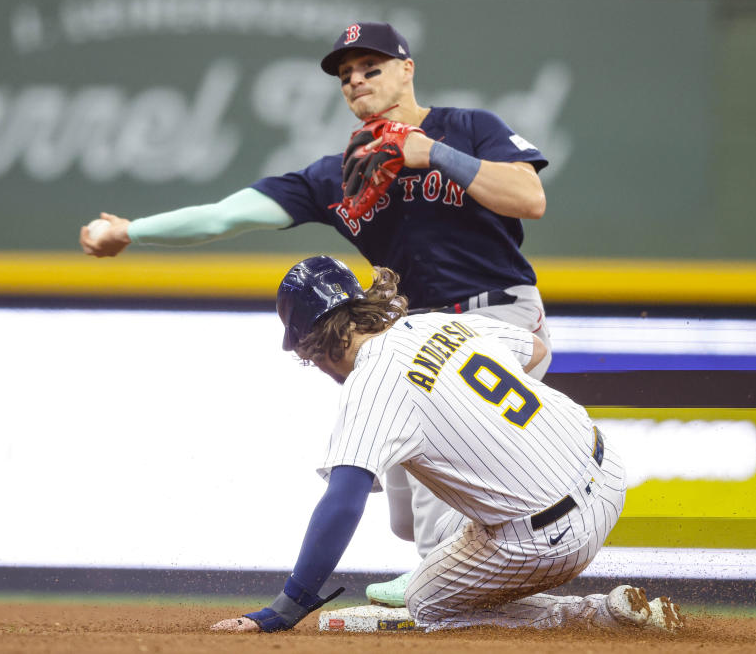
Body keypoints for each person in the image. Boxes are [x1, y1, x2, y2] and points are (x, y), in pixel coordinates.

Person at [80, 21, 553, 606]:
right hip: (414, 334)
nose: (356, 81)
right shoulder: (336, 175)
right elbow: (224, 216)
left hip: (499, 314)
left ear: (407, 69)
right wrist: (131, 230)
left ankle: (442, 577)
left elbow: (529, 199)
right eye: (346, 75)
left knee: (437, 456)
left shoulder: (468, 128)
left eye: (371, 68)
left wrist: (430, 152)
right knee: (406, 514)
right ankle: (518, 590)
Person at [211, 256, 684, 633]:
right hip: (609, 474)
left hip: (549, 541)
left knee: (426, 602)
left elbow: (341, 503)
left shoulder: (371, 382)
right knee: (454, 523)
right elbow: (535, 350)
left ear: (314, 344)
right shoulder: (432, 323)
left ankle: (593, 615)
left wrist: (288, 606)